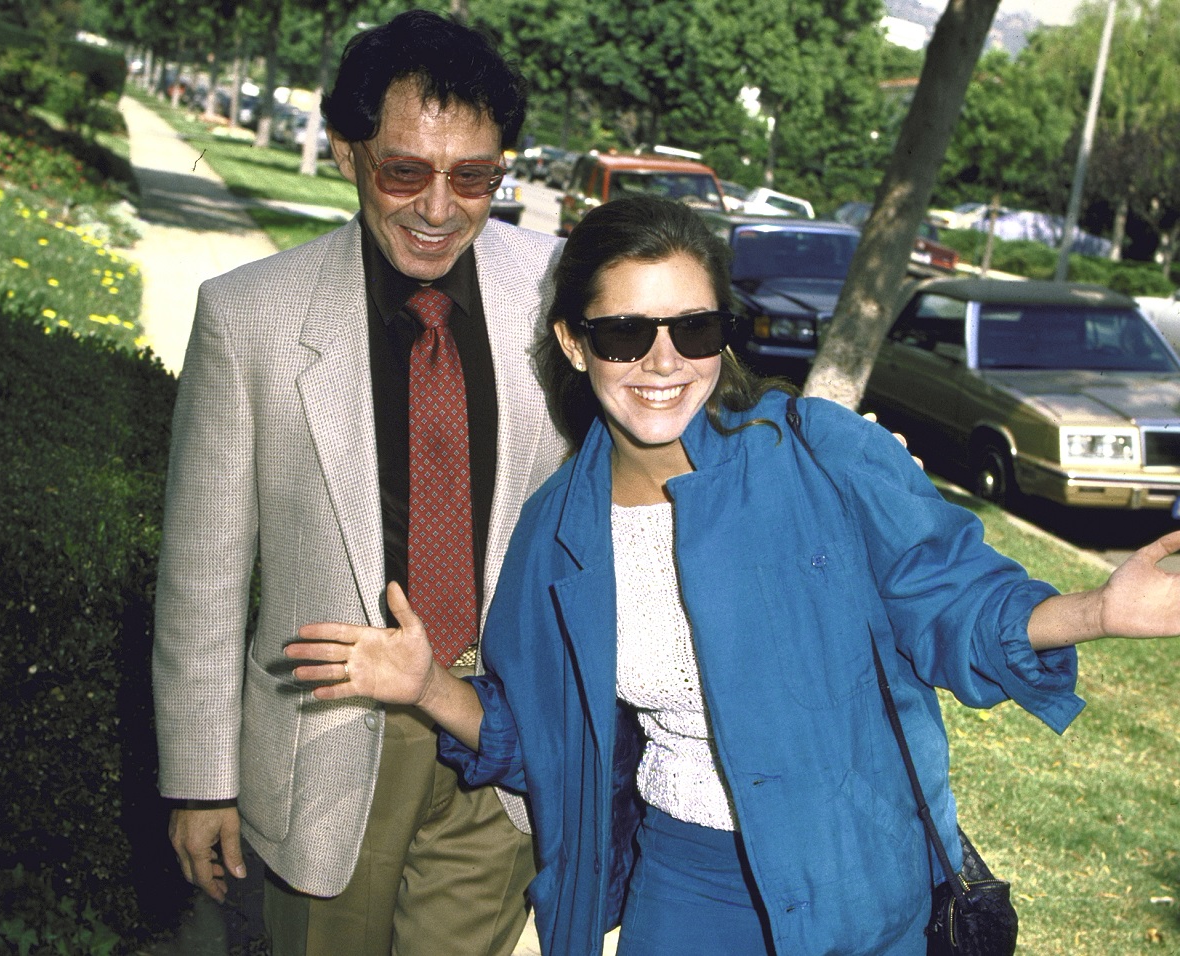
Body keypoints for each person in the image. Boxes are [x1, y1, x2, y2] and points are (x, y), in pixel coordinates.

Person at [287, 196, 1180, 956]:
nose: (664, 362)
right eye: (625, 333)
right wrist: (426, 687)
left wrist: (1099, 609)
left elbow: (952, 597)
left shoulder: (821, 457)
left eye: (694, 327)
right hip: (685, 891)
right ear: (572, 341)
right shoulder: (556, 533)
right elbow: (548, 735)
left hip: (859, 876)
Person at [153, 10, 567, 956]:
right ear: (348, 154)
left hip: (497, 740)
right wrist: (202, 780)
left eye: (474, 178)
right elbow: (204, 575)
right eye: (404, 170)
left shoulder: (556, 289)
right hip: (329, 745)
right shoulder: (247, 317)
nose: (439, 208)